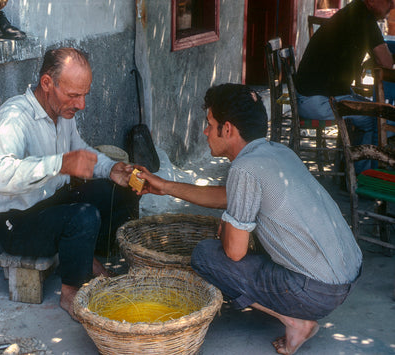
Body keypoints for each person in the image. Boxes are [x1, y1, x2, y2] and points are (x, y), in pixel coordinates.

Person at [134, 84, 362, 355]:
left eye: (210, 124)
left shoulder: (244, 168)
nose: (206, 132)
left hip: (314, 292)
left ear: (227, 129)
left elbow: (234, 251)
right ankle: (298, 310)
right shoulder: (276, 151)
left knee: (206, 255)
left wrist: (230, 225)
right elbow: (227, 197)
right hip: (347, 276)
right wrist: (166, 186)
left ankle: (296, 321)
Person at [0, 47, 140, 319]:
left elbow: (81, 151)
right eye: (74, 95)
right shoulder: (15, 117)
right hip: (18, 223)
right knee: (83, 217)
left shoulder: (61, 113)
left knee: (122, 190)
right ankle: (71, 294)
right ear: (47, 83)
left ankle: (88, 258)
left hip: (54, 202)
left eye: (84, 95)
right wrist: (59, 164)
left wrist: (112, 169)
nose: (81, 105)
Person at [296, 0, 395, 173]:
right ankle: (358, 177)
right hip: (317, 100)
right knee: (380, 119)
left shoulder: (354, 13)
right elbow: (386, 62)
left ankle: (348, 167)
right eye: (388, 1)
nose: (392, 6)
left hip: (313, 96)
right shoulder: (363, 18)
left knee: (373, 113)